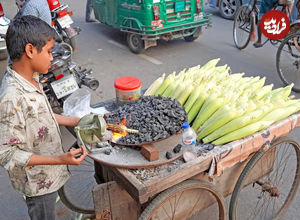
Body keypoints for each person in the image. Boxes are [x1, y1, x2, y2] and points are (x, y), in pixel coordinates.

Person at [0, 15, 87, 220]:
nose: (51, 57)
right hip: (38, 183)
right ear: (30, 50)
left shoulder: (31, 78)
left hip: (51, 171)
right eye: (48, 52)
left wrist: (76, 121)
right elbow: (7, 154)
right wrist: (58, 159)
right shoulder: (11, 98)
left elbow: (42, 116)